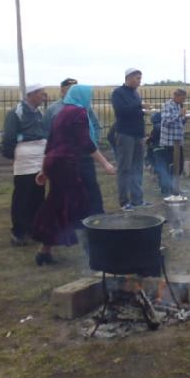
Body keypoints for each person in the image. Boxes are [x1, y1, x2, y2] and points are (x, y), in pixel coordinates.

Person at [32, 85, 115, 265]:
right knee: (81, 204)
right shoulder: (79, 112)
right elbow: (86, 142)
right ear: (82, 96)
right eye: (89, 96)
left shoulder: (62, 112)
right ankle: (93, 250)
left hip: (54, 162)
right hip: (66, 164)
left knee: (58, 205)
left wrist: (44, 169)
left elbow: (51, 141)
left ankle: (45, 252)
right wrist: (105, 163)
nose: (90, 100)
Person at [1, 83, 48, 247]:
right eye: (41, 94)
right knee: (23, 195)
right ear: (31, 94)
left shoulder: (38, 112)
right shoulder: (16, 112)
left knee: (37, 194)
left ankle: (35, 228)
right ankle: (19, 232)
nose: (44, 97)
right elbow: (9, 137)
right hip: (25, 159)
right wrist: (12, 155)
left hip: (39, 159)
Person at [111, 68, 149, 211]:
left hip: (138, 134)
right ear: (129, 78)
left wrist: (143, 111)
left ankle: (137, 199)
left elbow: (135, 112)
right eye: (137, 78)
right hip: (125, 134)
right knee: (125, 168)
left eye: (140, 78)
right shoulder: (118, 93)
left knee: (138, 167)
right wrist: (139, 106)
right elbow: (121, 111)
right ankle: (124, 201)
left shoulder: (135, 93)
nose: (140, 81)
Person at [155, 89, 187, 197]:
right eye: (182, 98)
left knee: (179, 166)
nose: (183, 100)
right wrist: (179, 114)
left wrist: (185, 119)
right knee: (169, 166)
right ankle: (166, 188)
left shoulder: (179, 105)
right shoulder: (167, 105)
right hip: (169, 142)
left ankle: (175, 188)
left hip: (178, 141)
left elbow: (178, 122)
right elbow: (166, 121)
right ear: (176, 96)